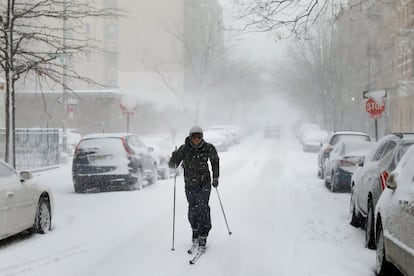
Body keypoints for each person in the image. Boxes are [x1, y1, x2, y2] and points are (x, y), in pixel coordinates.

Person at [168, 126, 220, 252]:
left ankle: (203, 235)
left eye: (199, 137)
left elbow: (215, 161)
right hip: (190, 183)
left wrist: (215, 177)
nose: (197, 139)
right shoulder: (184, 149)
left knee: (203, 207)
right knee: (193, 208)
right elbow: (172, 165)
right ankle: (195, 230)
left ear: (202, 137)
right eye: (194, 137)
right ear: (190, 137)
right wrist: (174, 157)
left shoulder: (208, 147)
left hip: (204, 183)